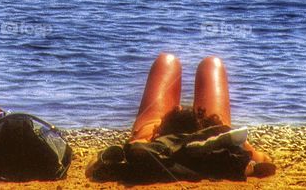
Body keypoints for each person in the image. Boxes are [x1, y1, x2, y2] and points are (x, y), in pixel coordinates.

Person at [88, 54, 274, 182]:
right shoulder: (218, 143)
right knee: (211, 64)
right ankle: (204, 128)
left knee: (167, 61)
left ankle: (184, 130)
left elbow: (94, 166)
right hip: (204, 133)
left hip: (161, 139)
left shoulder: (148, 140)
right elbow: (264, 160)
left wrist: (149, 135)